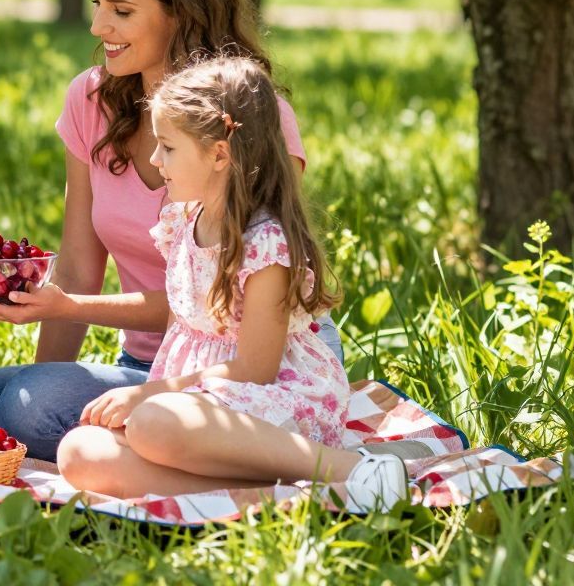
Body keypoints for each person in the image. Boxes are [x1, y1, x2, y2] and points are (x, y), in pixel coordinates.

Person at [0, 0, 342, 462]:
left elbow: (222, 309)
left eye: (121, 11)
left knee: (31, 410)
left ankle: (208, 452)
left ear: (182, 14)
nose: (97, 27)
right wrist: (46, 356)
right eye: (97, 3)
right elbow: (78, 267)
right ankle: (147, 447)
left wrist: (64, 316)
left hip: (250, 368)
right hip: (152, 365)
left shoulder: (251, 120)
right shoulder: (90, 101)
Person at [54, 55, 408, 512]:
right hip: (192, 413)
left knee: (152, 424)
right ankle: (289, 497)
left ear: (219, 154)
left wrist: (149, 392)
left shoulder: (265, 245)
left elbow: (256, 369)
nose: (155, 159)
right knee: (80, 453)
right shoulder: (184, 220)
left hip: (273, 406)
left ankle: (349, 470)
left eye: (168, 147)